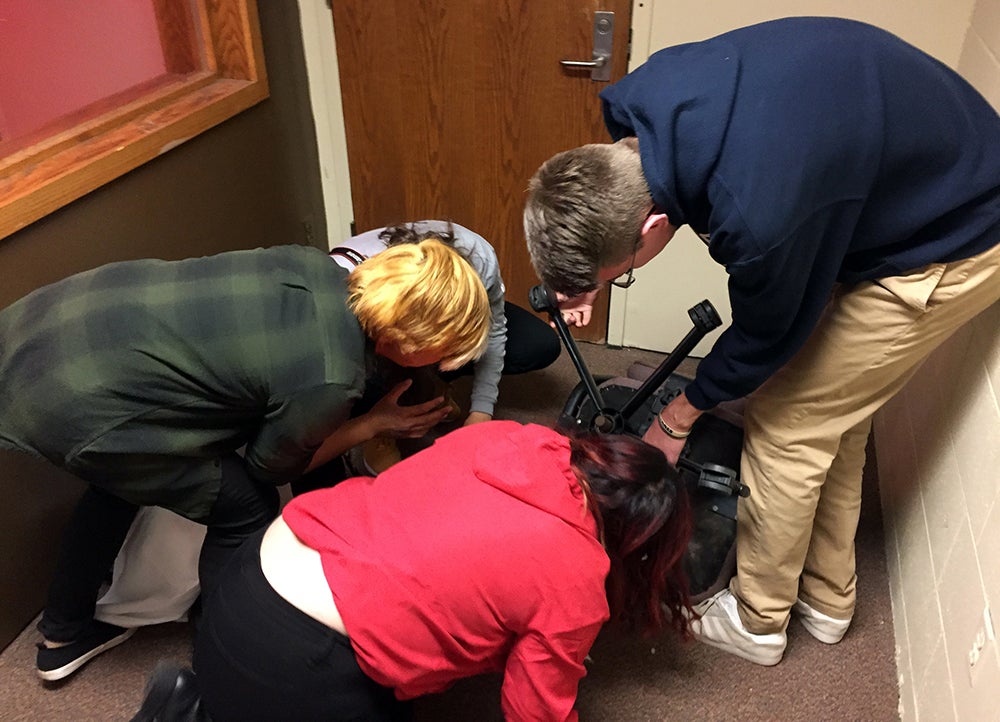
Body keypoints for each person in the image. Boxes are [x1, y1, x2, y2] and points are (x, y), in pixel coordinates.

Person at [523, 16, 1000, 666]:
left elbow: (769, 333)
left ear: (654, 226)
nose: (620, 282)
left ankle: (759, 622)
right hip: (886, 176)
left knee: (788, 423)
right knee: (837, 408)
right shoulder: (635, 106)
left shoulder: (757, 215)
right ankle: (828, 600)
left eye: (622, 275)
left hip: (957, 231)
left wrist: (679, 414)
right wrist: (584, 280)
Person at [0, 239, 490, 682]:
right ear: (411, 343)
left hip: (57, 320)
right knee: (245, 503)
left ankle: (63, 632)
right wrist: (372, 424)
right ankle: (218, 663)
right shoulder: (331, 378)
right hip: (76, 401)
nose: (442, 365)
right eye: (443, 354)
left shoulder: (310, 264)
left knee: (120, 480)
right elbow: (270, 467)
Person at [133, 420, 694, 721]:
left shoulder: (509, 438)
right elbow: (534, 713)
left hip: (243, 581)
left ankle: (196, 700)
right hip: (297, 665)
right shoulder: (577, 582)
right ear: (637, 541)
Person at [330, 220, 561, 426]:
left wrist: (482, 409)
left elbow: (495, 333)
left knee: (538, 343)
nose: (446, 359)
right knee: (357, 391)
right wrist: (370, 426)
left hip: (410, 320)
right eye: (444, 351)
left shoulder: (479, 258)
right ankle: (407, 390)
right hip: (369, 317)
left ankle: (429, 384)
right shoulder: (340, 295)